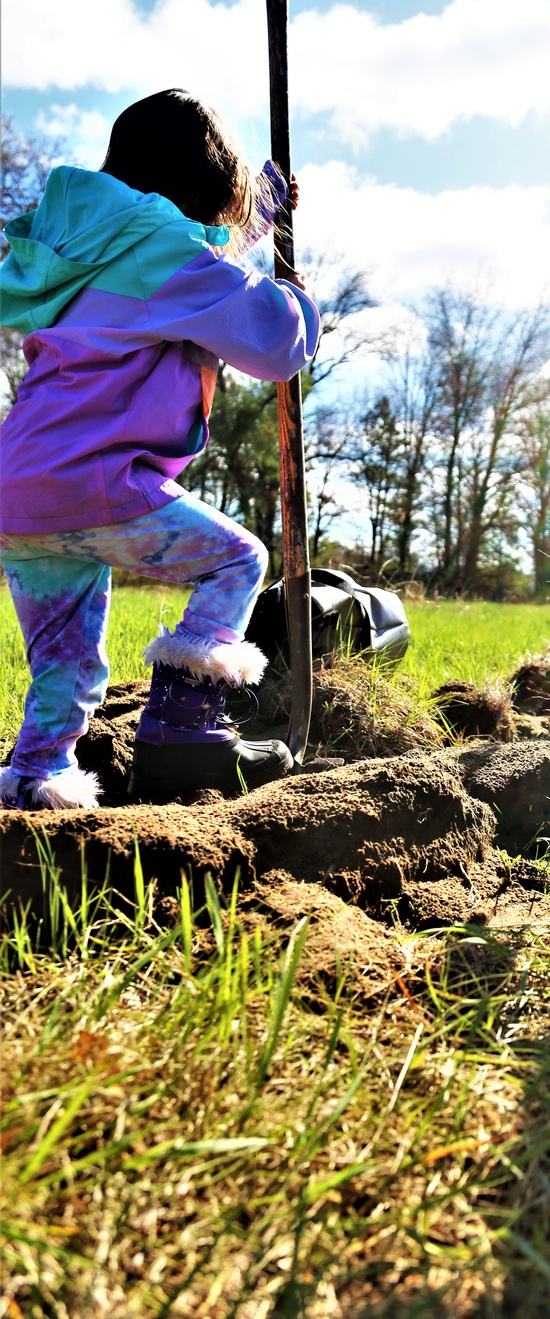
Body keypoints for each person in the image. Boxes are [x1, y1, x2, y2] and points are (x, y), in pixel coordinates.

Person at [0, 88, 320, 809]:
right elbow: (269, 338)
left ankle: (33, 780)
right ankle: (181, 724)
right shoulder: (162, 256)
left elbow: (200, 274)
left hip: (20, 489)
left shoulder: (88, 250)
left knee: (65, 661)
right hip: (93, 480)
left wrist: (264, 213)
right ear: (206, 183)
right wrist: (295, 292)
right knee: (238, 560)